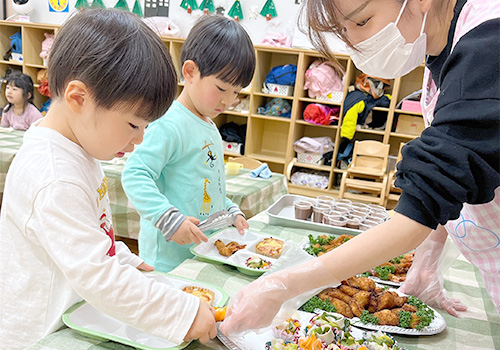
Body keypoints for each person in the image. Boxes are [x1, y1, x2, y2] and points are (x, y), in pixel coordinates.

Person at [220, 0, 499, 335]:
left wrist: (284, 285)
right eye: (343, 30)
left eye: (362, 21)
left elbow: (418, 211)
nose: (353, 42)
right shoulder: (439, 47)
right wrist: (426, 262)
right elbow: (452, 171)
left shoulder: (488, 45)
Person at [0, 9, 218, 349]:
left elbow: (88, 236)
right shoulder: (56, 176)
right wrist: (182, 313)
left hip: (76, 316)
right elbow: (96, 274)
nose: (140, 140)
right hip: (42, 335)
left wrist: (124, 258)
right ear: (78, 98)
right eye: (134, 125)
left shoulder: (79, 149)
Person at [121, 15, 255, 273]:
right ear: (190, 72)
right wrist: (168, 219)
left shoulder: (209, 126)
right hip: (168, 261)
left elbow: (204, 185)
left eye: (236, 92)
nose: (229, 101)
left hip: (201, 255)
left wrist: (228, 209)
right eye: (221, 88)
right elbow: (135, 175)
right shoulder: (168, 123)